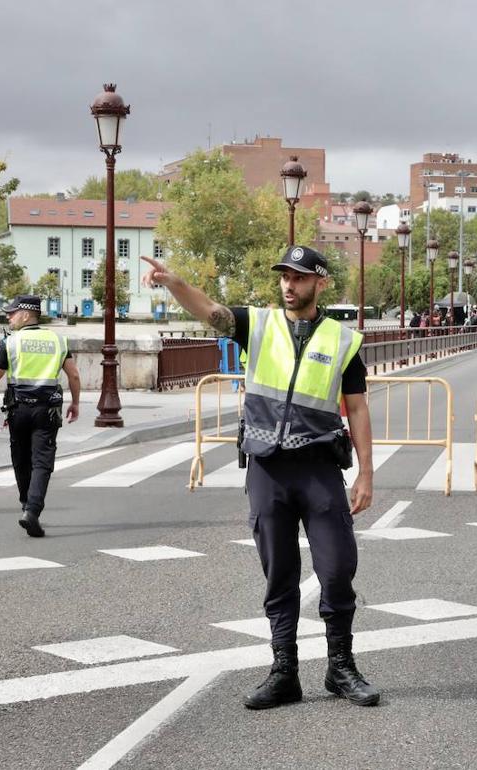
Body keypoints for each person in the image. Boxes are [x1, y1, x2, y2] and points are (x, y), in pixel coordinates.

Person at [141, 246, 379, 710]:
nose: (289, 285)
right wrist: (174, 284)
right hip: (268, 469)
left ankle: (340, 667)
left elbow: (358, 408)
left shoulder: (343, 340)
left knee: (336, 571)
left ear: (320, 283)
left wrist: (367, 474)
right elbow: (211, 311)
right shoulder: (259, 324)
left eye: (299, 278)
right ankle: (284, 671)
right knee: (280, 574)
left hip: (318, 469)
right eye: (284, 277)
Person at [0, 294, 80, 538]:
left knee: (20, 459)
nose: (8, 316)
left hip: (18, 410)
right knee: (42, 462)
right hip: (47, 411)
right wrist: (76, 403)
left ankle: (26, 504)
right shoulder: (58, 340)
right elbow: (74, 376)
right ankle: (32, 511)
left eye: (12, 312)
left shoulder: (11, 342)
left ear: (27, 314)